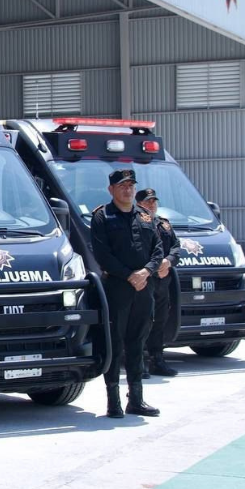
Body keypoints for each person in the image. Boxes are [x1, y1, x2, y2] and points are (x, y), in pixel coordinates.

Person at [89, 169, 163, 419]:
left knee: (137, 342)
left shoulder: (145, 216)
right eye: (122, 186)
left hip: (144, 287)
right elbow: (102, 254)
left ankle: (137, 399)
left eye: (131, 185)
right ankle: (113, 401)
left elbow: (158, 250)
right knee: (116, 343)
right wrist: (129, 275)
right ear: (111, 190)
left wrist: (145, 272)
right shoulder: (102, 216)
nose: (128, 189)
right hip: (117, 288)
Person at [136, 189, 181, 378]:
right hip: (146, 282)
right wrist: (153, 267)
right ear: (138, 204)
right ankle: (141, 362)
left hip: (163, 282)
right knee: (143, 322)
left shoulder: (164, 224)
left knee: (159, 321)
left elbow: (176, 247)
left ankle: (157, 360)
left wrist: (168, 261)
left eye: (154, 201)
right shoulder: (135, 223)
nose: (152, 205)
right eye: (148, 202)